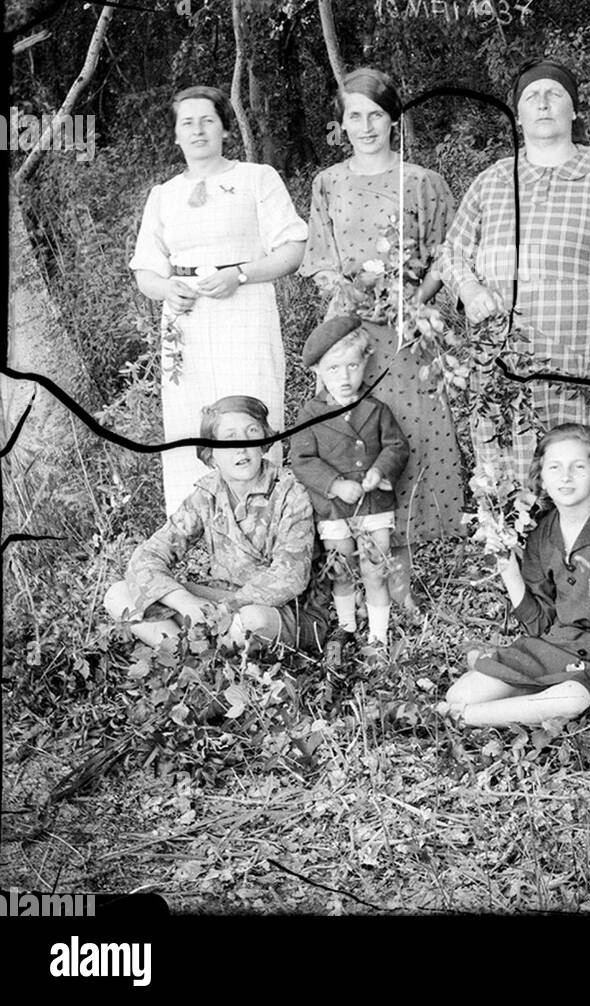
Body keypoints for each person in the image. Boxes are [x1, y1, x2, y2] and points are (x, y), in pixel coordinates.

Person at [437, 57, 590, 504]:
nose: (543, 104)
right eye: (531, 97)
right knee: (514, 479)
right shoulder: (492, 181)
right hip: (510, 369)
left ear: (574, 110)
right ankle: (526, 562)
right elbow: (452, 253)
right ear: (518, 114)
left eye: (555, 94)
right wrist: (471, 290)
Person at [300, 67, 465, 606]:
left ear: (394, 119)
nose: (366, 125)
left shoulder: (422, 182)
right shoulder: (328, 183)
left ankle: (403, 577)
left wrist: (418, 298)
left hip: (407, 329)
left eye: (376, 115)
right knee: (357, 444)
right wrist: (345, 291)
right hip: (352, 333)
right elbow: (320, 259)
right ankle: (364, 577)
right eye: (355, 116)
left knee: (409, 443)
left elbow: (447, 253)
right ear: (342, 122)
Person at [130, 86, 307, 515]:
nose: (198, 130)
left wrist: (240, 274)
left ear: (225, 127)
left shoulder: (257, 178)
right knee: (191, 416)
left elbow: (292, 250)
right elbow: (145, 270)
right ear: (175, 135)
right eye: (187, 123)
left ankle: (265, 517)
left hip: (244, 306)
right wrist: (166, 288)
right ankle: (198, 527)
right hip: (185, 320)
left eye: (207, 120)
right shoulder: (163, 195)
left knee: (249, 403)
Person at [437, 424, 590, 727]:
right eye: (555, 467)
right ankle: (506, 703)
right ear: (542, 477)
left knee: (572, 699)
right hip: (555, 647)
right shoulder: (542, 533)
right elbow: (540, 624)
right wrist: (508, 568)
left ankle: (464, 718)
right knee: (460, 692)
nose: (566, 477)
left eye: (578, 467)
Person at [104, 395, 330, 652]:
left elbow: (291, 576)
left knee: (252, 621)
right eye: (229, 438)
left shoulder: (290, 491)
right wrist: (185, 603)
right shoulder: (206, 494)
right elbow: (149, 554)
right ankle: (185, 654)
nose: (242, 447)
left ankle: (202, 647)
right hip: (219, 600)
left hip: (285, 612)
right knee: (119, 595)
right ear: (211, 456)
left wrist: (224, 610)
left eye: (252, 433)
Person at [290, 316, 410, 649]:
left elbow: (396, 446)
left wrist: (381, 472)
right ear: (317, 371)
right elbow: (301, 459)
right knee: (340, 568)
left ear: (366, 361)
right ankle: (346, 626)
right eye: (333, 369)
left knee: (375, 568)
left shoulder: (376, 408)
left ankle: (378, 634)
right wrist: (335, 484)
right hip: (333, 509)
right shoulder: (310, 415)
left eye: (352, 366)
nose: (344, 377)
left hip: (374, 505)